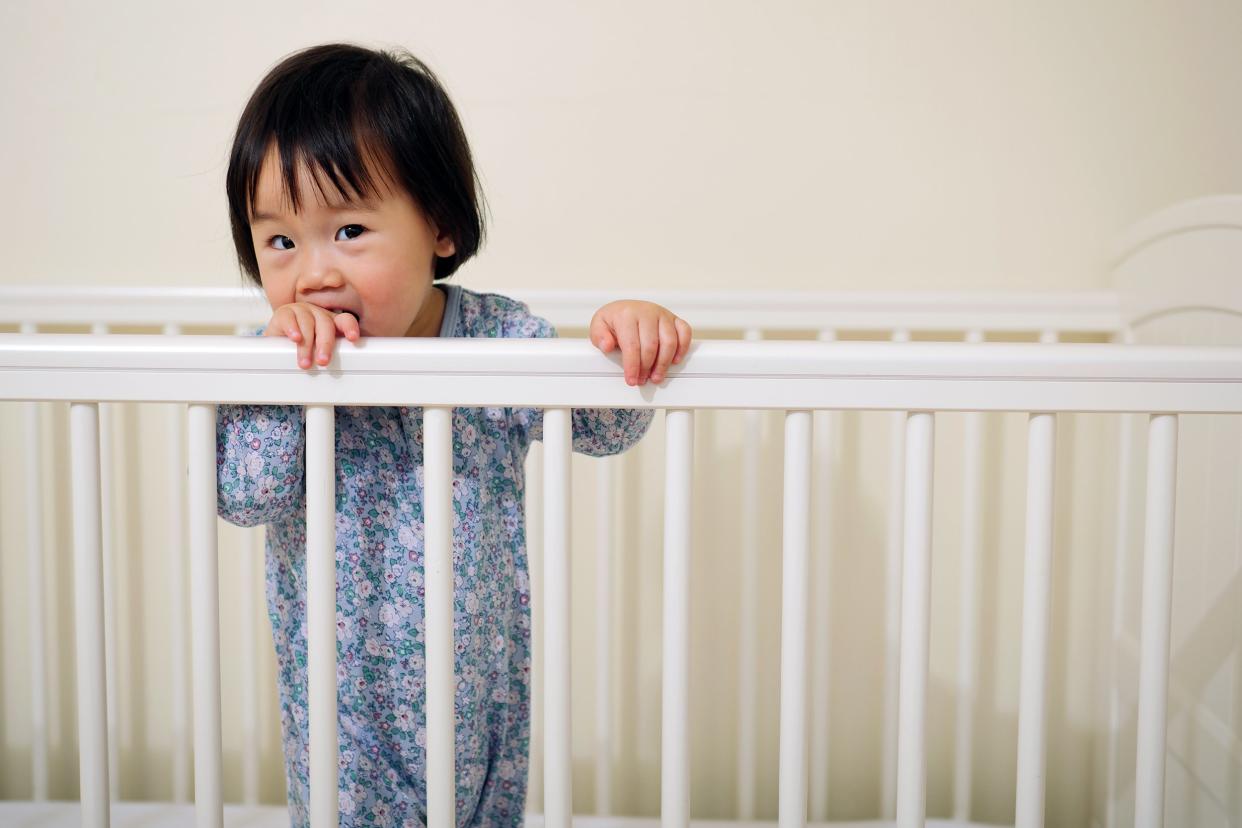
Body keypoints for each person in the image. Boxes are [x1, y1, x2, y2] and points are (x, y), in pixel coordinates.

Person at [216, 43, 691, 827]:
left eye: (350, 229)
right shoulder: (280, 364)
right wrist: (284, 380)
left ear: (438, 223)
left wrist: (626, 344)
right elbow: (244, 494)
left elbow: (606, 429)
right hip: (343, 699)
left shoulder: (494, 336)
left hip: (483, 690)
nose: (312, 273)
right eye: (280, 242)